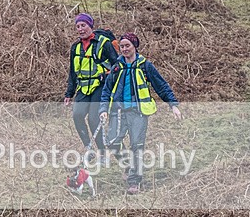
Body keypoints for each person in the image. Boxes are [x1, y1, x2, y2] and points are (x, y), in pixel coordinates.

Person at [99, 32, 182, 194]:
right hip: (118, 111)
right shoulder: (116, 67)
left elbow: (161, 85)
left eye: (127, 46)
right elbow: (106, 90)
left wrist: (173, 105)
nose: (124, 49)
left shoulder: (145, 65)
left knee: (137, 146)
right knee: (111, 141)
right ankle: (127, 165)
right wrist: (103, 110)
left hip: (139, 112)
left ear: (134, 46)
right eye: (121, 46)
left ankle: (134, 181)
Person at [64, 13, 119, 161]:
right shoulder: (75, 47)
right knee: (77, 115)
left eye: (83, 25)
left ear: (90, 26)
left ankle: (102, 151)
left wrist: (107, 76)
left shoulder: (103, 43)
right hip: (83, 87)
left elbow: (117, 65)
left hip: (99, 86)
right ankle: (89, 148)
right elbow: (72, 71)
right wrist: (69, 93)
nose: (81, 29)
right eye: (78, 26)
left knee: (94, 120)